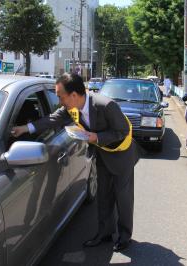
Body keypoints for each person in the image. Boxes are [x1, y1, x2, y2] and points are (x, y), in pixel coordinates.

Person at [12, 73, 138, 252]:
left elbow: (123, 131)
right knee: (103, 195)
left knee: (122, 196)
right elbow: (52, 119)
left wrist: (98, 137)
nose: (59, 100)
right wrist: (26, 128)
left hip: (121, 155)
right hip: (102, 153)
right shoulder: (70, 107)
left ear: (73, 95)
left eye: (60, 96)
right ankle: (105, 233)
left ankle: (125, 237)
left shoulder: (106, 105)